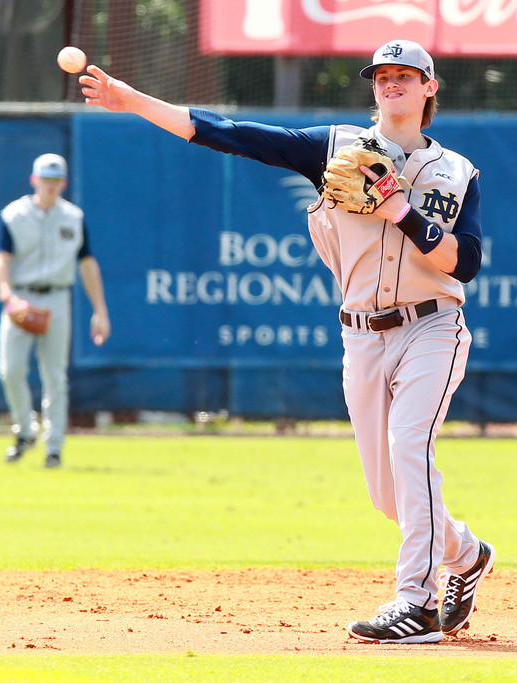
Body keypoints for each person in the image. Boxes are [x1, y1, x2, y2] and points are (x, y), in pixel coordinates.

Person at [80, 39, 493, 643]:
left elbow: (466, 263)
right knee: (388, 495)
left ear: (430, 88)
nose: (392, 84)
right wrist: (135, 101)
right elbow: (227, 132)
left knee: (411, 451)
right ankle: (465, 554)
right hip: (361, 334)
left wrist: (402, 211)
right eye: (382, 75)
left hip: (432, 326)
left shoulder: (458, 173)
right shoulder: (334, 149)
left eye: (406, 75)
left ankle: (417, 603)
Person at [0, 153, 111, 469]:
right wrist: (6, 294)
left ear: (64, 183)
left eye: (56, 179)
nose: (50, 185)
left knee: (54, 375)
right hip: (22, 297)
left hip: (58, 297)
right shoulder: (15, 214)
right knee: (10, 371)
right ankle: (26, 430)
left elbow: (87, 264)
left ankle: (54, 447)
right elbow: (1, 258)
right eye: (45, 178)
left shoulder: (73, 217)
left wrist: (100, 310)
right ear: (34, 180)